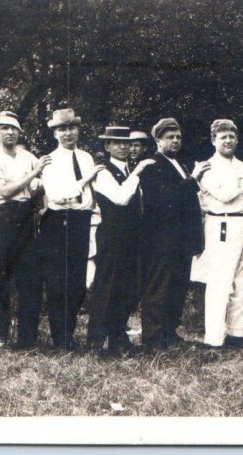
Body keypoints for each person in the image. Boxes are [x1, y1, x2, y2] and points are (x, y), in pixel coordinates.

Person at [0, 111, 51, 350]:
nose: (9, 132)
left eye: (14, 128)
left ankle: (27, 338)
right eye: (4, 128)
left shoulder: (28, 156)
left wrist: (42, 190)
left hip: (25, 218)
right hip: (0, 218)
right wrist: (34, 174)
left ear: (20, 132)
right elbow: (5, 191)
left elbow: (35, 189)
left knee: (30, 277)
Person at [86, 126, 154, 357]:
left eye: (126, 143)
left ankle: (117, 338)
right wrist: (138, 172)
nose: (123, 147)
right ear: (107, 147)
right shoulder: (103, 173)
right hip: (112, 237)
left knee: (127, 288)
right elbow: (121, 198)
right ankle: (96, 341)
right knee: (107, 287)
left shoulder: (129, 170)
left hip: (131, 238)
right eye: (117, 143)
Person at [138, 117, 204, 352]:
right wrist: (193, 180)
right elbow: (163, 200)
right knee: (159, 288)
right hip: (161, 240)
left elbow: (188, 204)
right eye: (170, 137)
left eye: (178, 137)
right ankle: (153, 340)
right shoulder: (151, 164)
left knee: (177, 287)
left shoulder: (179, 164)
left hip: (181, 241)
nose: (175, 141)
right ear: (158, 140)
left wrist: (195, 239)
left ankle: (169, 333)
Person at [39, 108, 103, 351]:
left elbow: (90, 196)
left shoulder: (86, 157)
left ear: (78, 129)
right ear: (55, 133)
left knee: (78, 281)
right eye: (62, 129)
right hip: (59, 222)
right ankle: (61, 338)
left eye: (71, 128)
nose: (67, 133)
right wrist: (85, 180)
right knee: (59, 280)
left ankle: (70, 332)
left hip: (82, 220)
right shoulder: (49, 161)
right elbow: (58, 196)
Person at [194, 119, 243, 349]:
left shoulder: (241, 165)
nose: (228, 140)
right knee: (220, 281)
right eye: (223, 136)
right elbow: (226, 195)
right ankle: (213, 338)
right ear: (213, 140)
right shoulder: (206, 167)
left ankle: (237, 333)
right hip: (223, 223)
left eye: (232, 136)